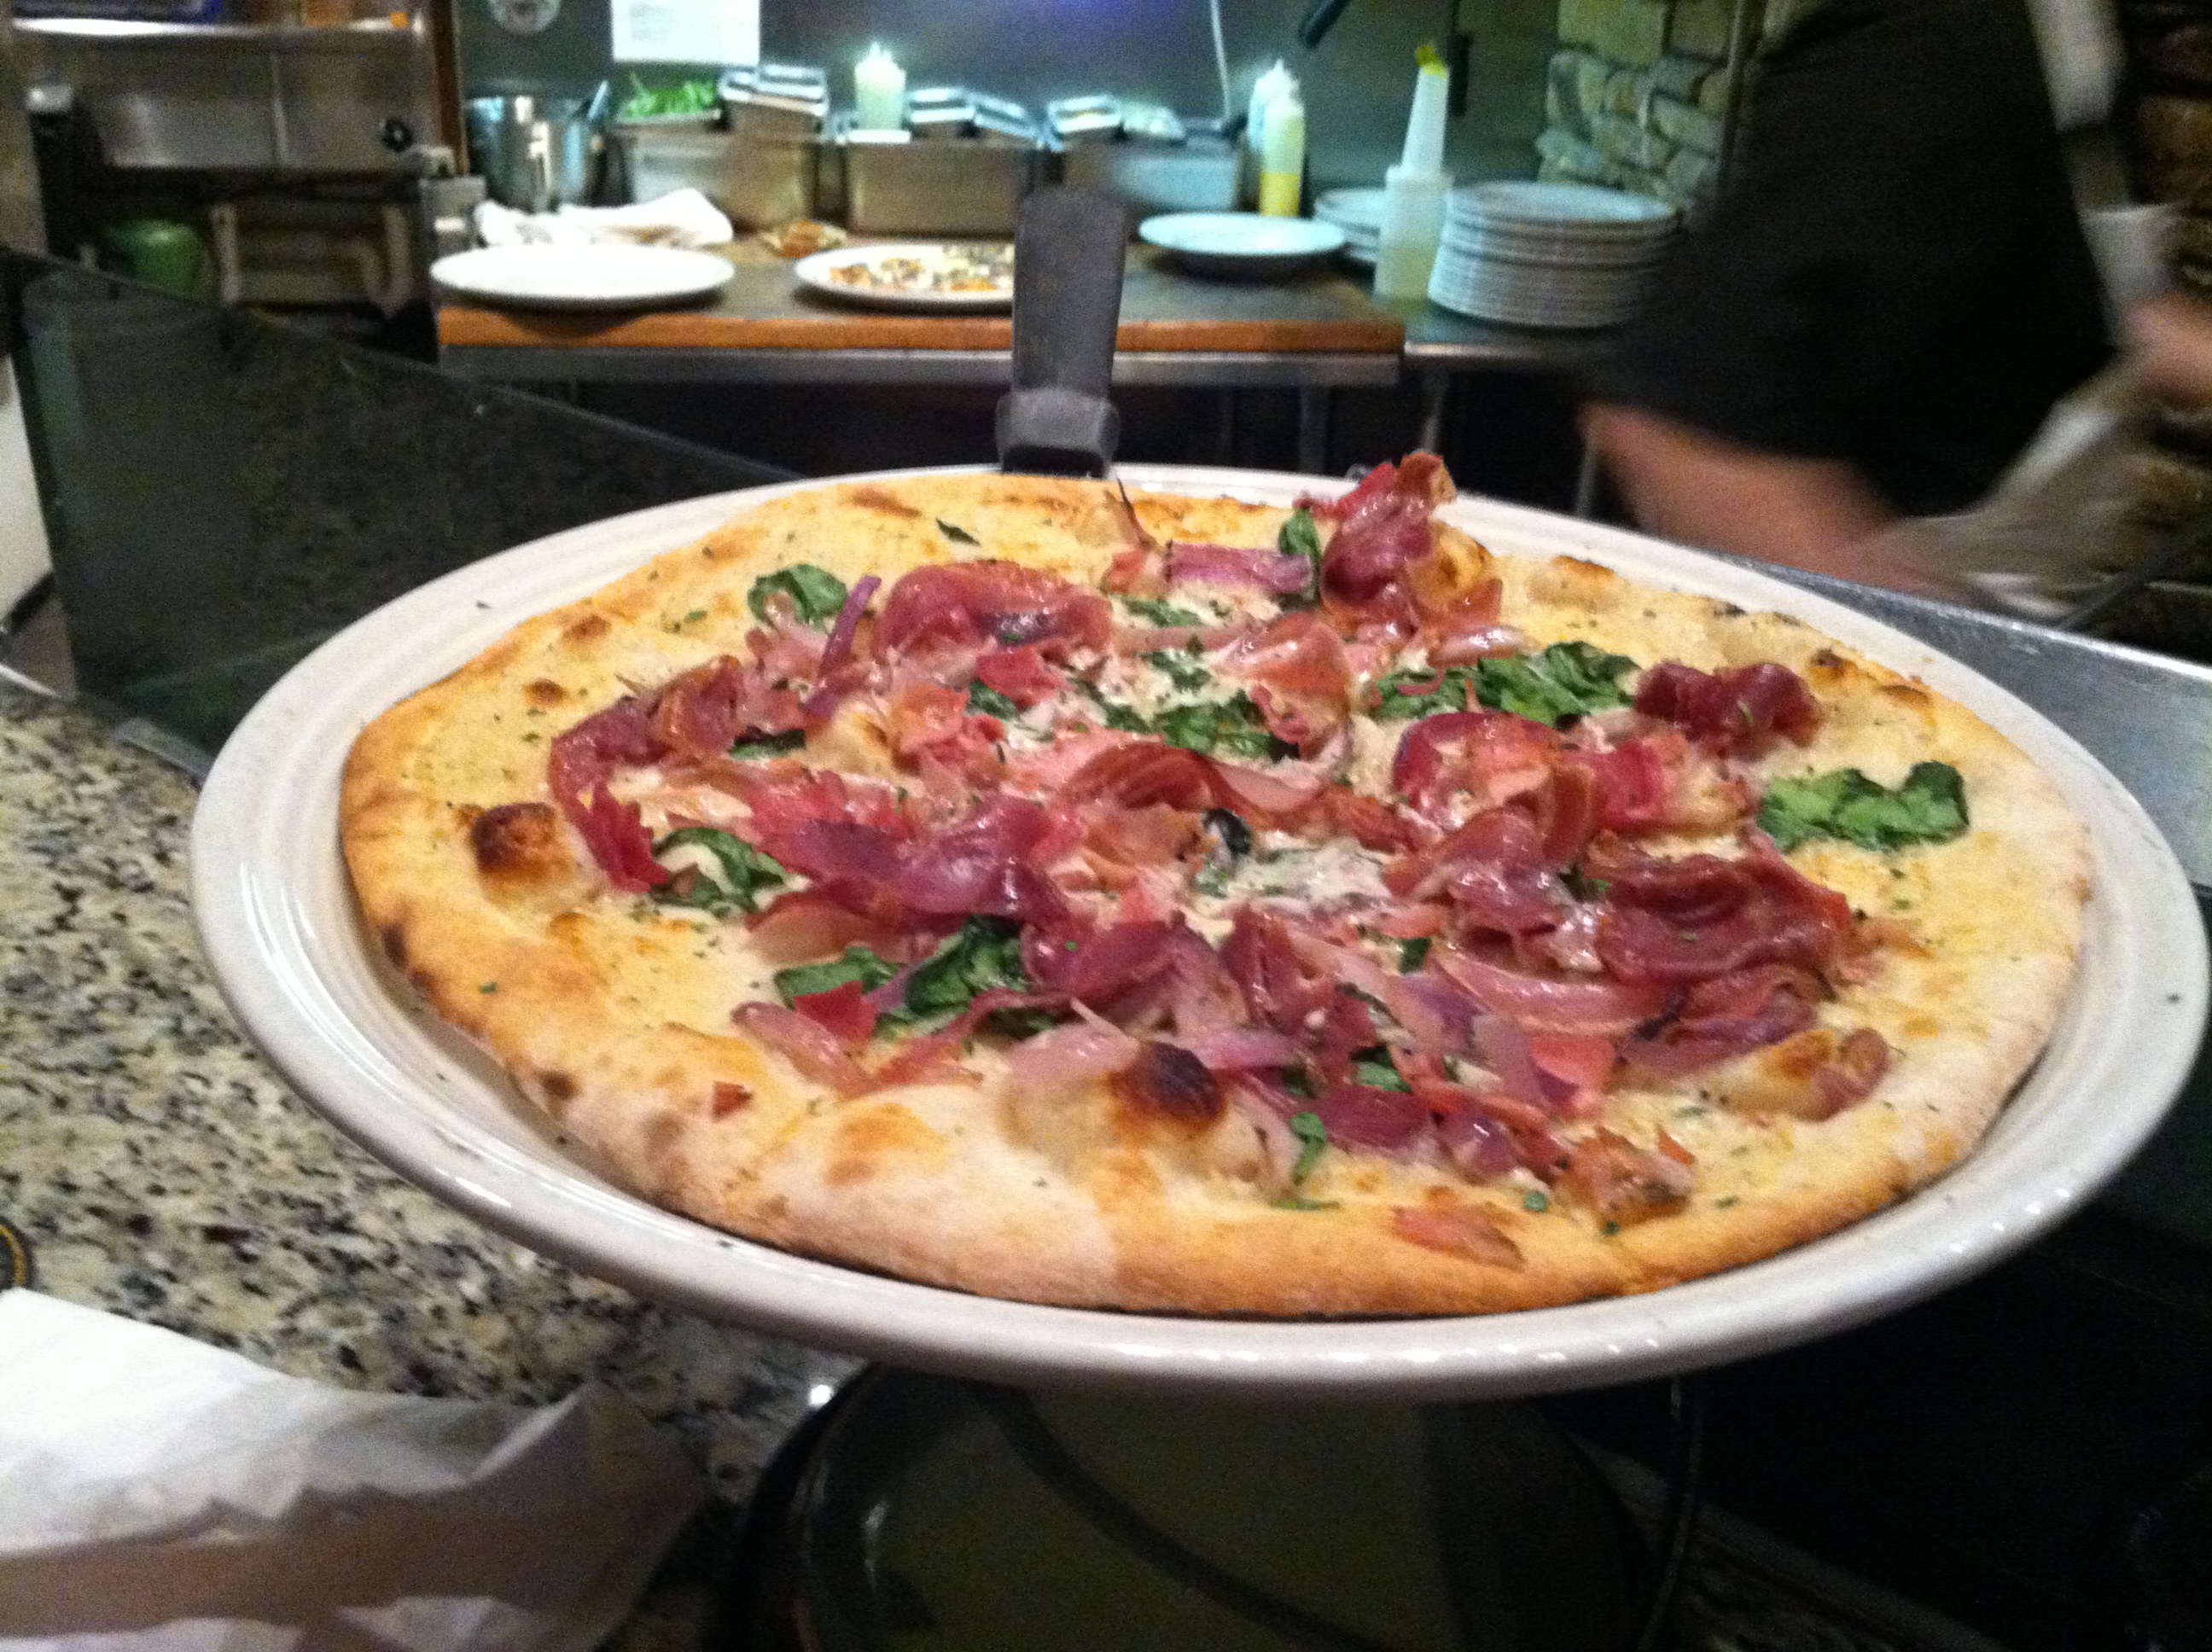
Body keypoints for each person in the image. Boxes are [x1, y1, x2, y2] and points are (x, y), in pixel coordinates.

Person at [1580, 0, 2116, 592]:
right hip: (1889, 609)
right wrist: (1904, 633)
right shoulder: (1935, 50)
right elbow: (1679, 428)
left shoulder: (2069, 52)